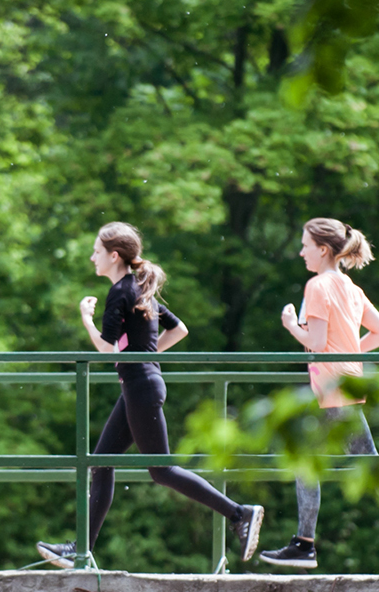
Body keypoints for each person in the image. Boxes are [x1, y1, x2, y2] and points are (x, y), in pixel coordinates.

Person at [36, 222, 265, 568]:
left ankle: (239, 513)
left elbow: (106, 349)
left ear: (114, 256)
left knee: (162, 470)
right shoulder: (137, 287)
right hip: (139, 384)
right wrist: (141, 358)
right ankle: (80, 548)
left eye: (96, 251)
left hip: (141, 387)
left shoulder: (120, 292)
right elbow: (180, 329)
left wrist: (86, 320)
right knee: (100, 463)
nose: (91, 257)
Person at [261, 217, 379, 573]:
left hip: (332, 389)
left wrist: (290, 324)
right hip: (342, 385)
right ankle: (306, 543)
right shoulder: (350, 287)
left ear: (323, 249)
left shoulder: (317, 285)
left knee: (355, 463)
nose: (300, 252)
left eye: (305, 246)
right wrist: (347, 355)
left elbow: (314, 342)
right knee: (331, 460)